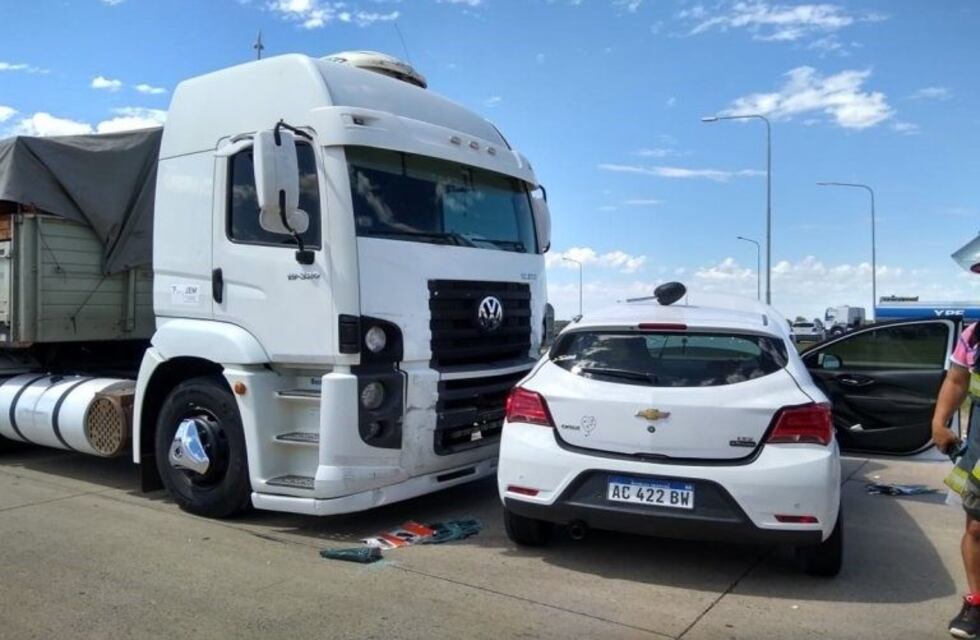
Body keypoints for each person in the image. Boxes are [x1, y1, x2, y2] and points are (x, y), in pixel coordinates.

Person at [933, 321, 980, 638]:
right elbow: (956, 379)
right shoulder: (975, 334)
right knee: (977, 527)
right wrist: (939, 421)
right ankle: (977, 604)